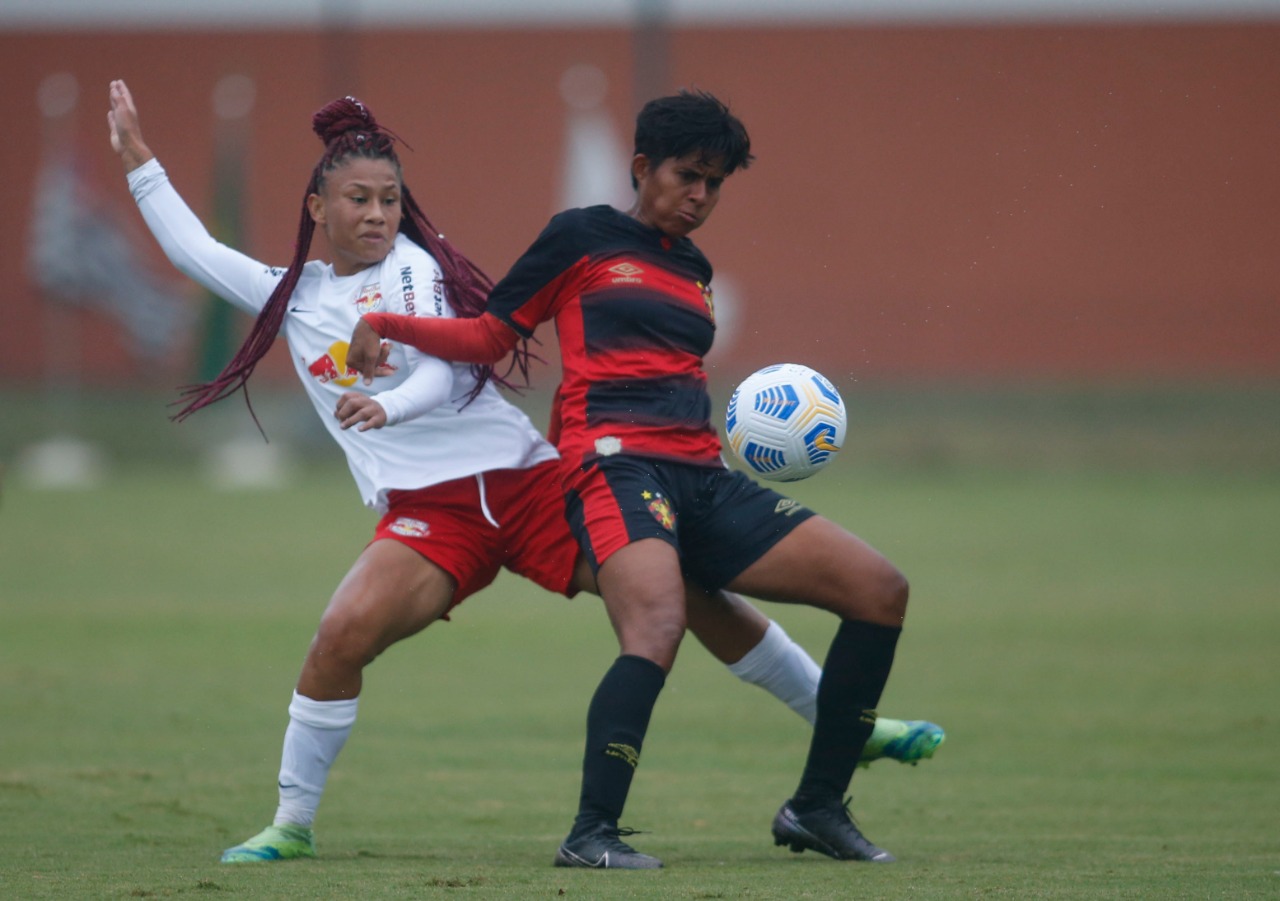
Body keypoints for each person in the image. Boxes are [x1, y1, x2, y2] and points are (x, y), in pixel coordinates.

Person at [107, 81, 941, 865]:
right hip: (432, 514)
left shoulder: (410, 269)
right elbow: (193, 249)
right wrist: (140, 160)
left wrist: (387, 407)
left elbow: (447, 375)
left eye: (390, 198)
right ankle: (291, 824)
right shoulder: (292, 296)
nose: (378, 214)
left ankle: (844, 721)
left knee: (686, 596)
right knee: (341, 635)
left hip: (528, 482)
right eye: (358, 199)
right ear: (318, 208)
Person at [348, 89, 915, 869]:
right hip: (612, 464)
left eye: (715, 183)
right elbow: (488, 335)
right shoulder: (580, 236)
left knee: (880, 590)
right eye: (688, 175)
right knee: (656, 623)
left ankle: (816, 806)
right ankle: (591, 834)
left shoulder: (695, 268)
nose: (701, 195)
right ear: (643, 166)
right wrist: (384, 323)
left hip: (703, 474)